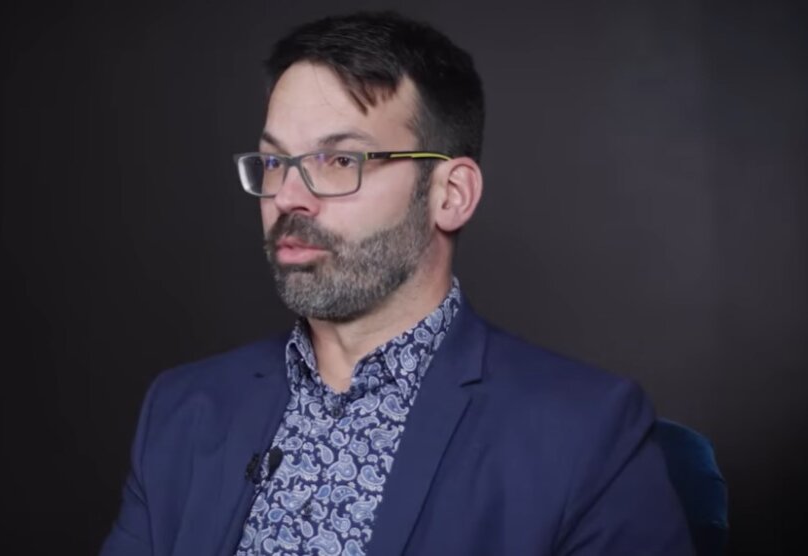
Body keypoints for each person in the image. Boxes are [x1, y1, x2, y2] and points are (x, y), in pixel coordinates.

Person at [101, 11, 693, 556]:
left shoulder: (585, 433)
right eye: (275, 161)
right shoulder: (183, 410)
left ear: (450, 194)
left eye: (341, 160)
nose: (287, 196)